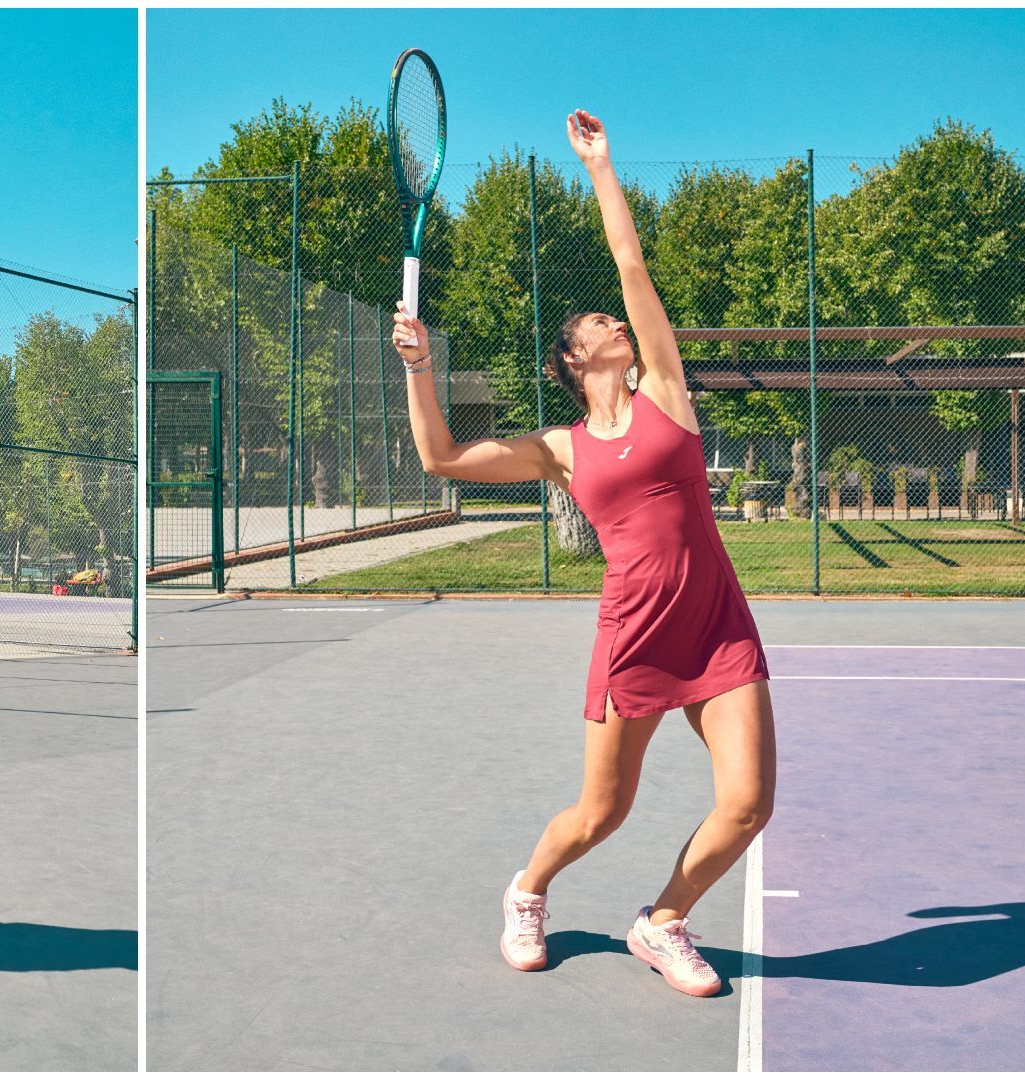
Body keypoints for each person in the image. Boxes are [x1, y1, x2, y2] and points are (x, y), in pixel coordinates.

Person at [390, 110, 776, 998]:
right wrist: (418, 366)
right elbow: (441, 458)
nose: (618, 323)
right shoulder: (560, 449)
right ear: (573, 356)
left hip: (717, 626)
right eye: (601, 322)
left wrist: (601, 167)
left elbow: (632, 265)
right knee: (603, 811)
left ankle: (663, 921)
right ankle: (528, 891)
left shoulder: (667, 393)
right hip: (634, 633)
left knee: (749, 802)